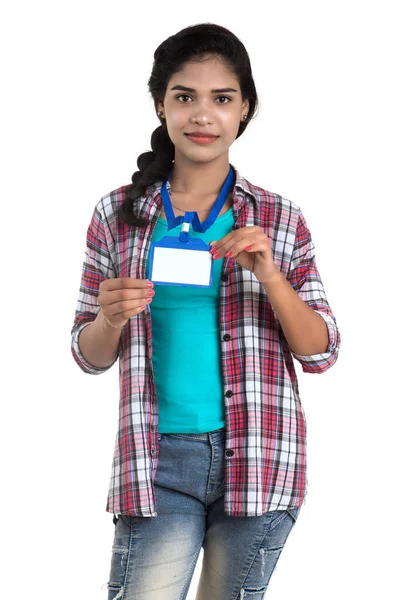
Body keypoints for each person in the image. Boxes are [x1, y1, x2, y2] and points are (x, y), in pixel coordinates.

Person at [70, 22, 341, 600]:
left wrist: (270, 276)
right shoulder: (119, 214)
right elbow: (88, 356)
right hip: (156, 460)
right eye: (184, 97)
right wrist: (110, 318)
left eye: (221, 99)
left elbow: (321, 350)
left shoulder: (278, 218)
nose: (202, 115)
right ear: (160, 105)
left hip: (263, 453)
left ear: (244, 110)